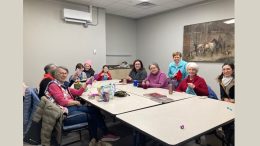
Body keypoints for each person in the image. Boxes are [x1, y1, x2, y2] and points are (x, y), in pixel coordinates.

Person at [46, 66, 119, 141]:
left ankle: (102, 135)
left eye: (65, 73)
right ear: (55, 74)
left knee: (95, 110)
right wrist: (76, 102)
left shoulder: (62, 85)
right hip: (64, 113)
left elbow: (78, 92)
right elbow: (62, 102)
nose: (64, 75)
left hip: (70, 107)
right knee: (92, 115)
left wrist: (87, 83)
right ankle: (96, 139)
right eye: (61, 73)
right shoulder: (54, 85)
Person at [217, 63, 235, 145]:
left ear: (232, 70)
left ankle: (228, 139)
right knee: (224, 118)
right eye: (224, 69)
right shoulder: (221, 79)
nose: (225, 71)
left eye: (228, 69)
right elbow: (222, 95)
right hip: (226, 103)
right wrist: (224, 99)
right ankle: (226, 136)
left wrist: (233, 100)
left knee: (230, 122)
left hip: (234, 104)